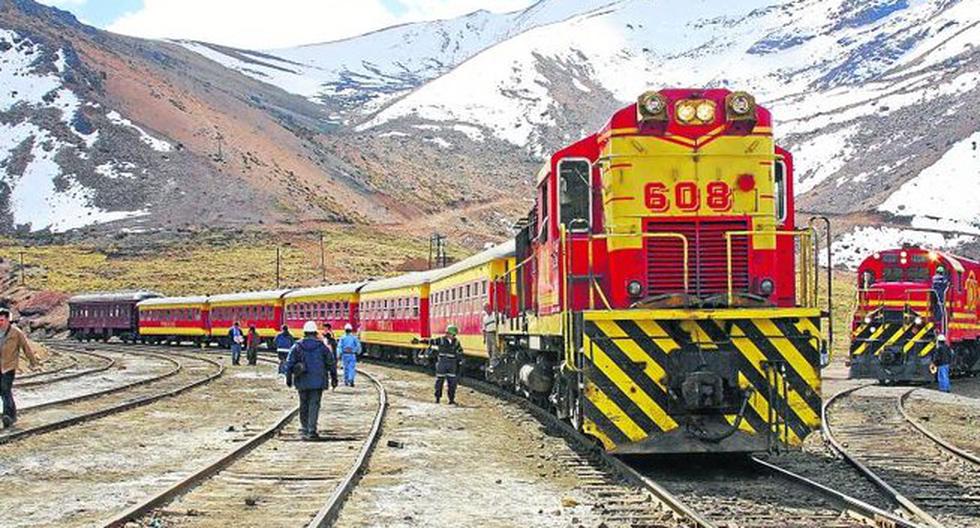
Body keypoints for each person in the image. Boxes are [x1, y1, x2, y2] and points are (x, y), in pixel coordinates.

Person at [285, 321, 332, 440]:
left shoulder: (297, 346)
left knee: (303, 404)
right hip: (318, 380)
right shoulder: (322, 347)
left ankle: (304, 427)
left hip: (302, 380)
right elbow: (330, 362)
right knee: (314, 404)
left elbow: (289, 363)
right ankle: (312, 430)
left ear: (304, 332)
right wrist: (334, 378)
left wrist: (288, 378)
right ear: (315, 332)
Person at [1, 308, 41, 428]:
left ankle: (8, 416)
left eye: (2, 320)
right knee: (3, 391)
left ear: (8, 320)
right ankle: (12, 415)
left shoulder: (16, 333)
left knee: (5, 390)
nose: (0, 322)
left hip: (9, 366)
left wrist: (33, 363)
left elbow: (26, 348)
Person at [427, 324, 464, 405]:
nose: (453, 336)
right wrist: (419, 341)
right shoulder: (441, 340)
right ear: (447, 333)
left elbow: (460, 351)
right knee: (439, 381)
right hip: (442, 364)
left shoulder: (456, 342)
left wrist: (460, 360)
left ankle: (451, 399)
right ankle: (437, 398)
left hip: (452, 364)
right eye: (452, 334)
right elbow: (431, 341)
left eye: (454, 335)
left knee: (452, 383)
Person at [932, 266, 950, 332]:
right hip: (940, 297)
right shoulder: (942, 279)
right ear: (942, 272)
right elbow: (946, 284)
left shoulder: (933, 278)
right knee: (940, 312)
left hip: (934, 297)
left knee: (936, 309)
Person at [321, 323, 339, 390]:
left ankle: (334, 383)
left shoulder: (331, 335)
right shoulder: (322, 335)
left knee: (333, 371)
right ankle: (325, 384)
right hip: (324, 356)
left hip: (331, 355)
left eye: (326, 328)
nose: (324, 329)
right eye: (324, 328)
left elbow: (334, 344)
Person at [482, 303, 498, 371]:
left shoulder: (495, 315)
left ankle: (493, 362)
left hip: (494, 333)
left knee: (494, 347)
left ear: (490, 308)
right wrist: (484, 338)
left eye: (487, 308)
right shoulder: (485, 318)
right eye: (485, 309)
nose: (486, 310)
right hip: (488, 333)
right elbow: (484, 328)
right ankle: (491, 361)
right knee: (489, 349)